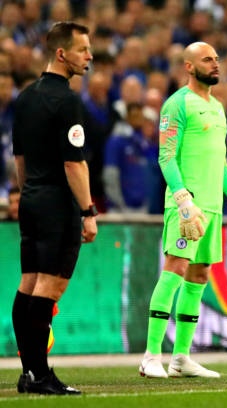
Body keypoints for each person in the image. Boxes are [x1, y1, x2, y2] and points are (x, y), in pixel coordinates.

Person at [139, 42, 227, 379]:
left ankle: (181, 358)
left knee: (199, 275)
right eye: (207, 59)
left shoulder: (218, 108)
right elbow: (166, 156)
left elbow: (220, 163)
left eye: (217, 59)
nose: (215, 64)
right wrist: (182, 200)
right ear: (189, 66)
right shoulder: (176, 104)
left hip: (211, 207)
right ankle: (151, 355)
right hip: (186, 205)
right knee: (175, 269)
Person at [11, 21, 97, 395]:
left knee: (28, 283)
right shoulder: (67, 101)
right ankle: (40, 374)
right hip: (57, 204)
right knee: (49, 286)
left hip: (32, 198)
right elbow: (73, 163)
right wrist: (88, 211)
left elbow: (19, 158)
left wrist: (27, 191)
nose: (89, 56)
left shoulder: (25, 97)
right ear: (62, 54)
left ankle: (29, 373)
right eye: (83, 50)